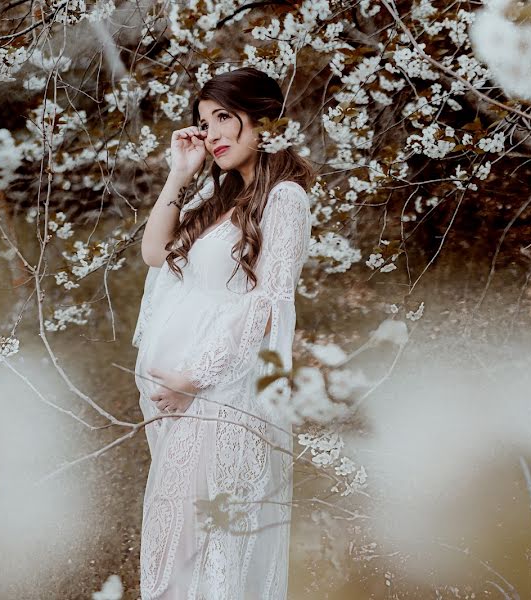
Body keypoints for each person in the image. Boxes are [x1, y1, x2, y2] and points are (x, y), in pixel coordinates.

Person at [132, 67, 315, 599]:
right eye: (202, 122)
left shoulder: (284, 200)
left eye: (223, 119)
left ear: (263, 122)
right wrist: (178, 175)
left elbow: (267, 303)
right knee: (176, 537)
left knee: (200, 543)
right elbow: (153, 255)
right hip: (183, 398)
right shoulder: (213, 202)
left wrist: (194, 376)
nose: (210, 134)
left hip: (223, 395)